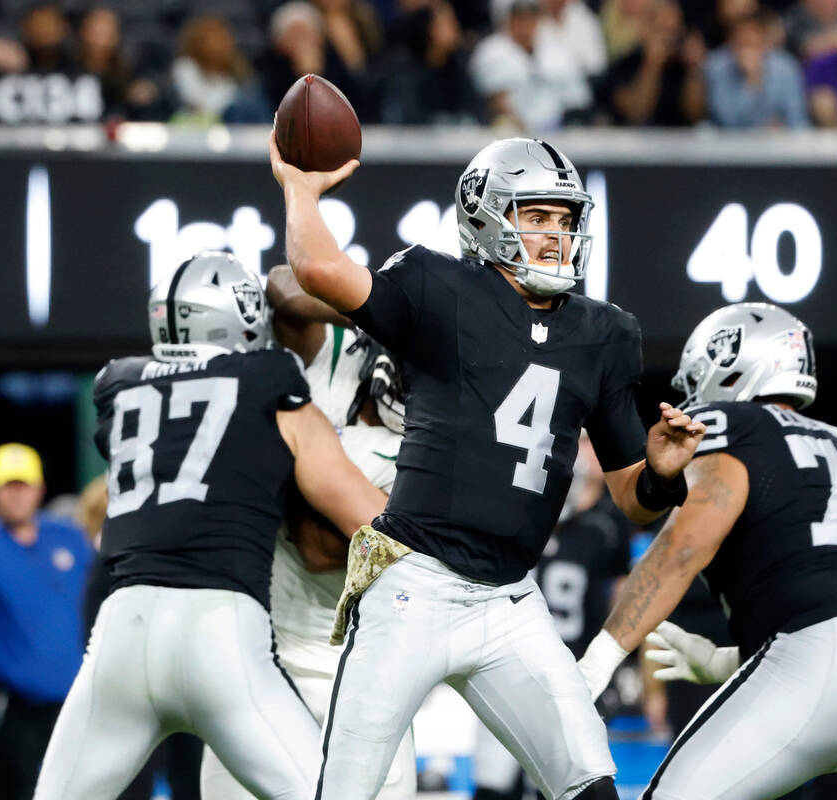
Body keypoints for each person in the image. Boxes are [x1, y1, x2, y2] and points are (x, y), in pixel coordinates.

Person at [269, 132, 705, 800]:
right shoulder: (438, 285)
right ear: (486, 217)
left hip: (509, 599)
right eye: (536, 216)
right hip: (415, 584)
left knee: (592, 784)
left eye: (564, 219)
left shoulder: (604, 333)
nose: (555, 235)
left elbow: (631, 498)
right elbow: (317, 269)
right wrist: (300, 190)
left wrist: (663, 472)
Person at [575, 303, 837, 800]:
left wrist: (598, 661)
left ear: (728, 366)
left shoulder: (732, 426)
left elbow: (682, 548)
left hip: (823, 661)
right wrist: (729, 661)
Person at [30, 251, 388, 800]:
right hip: (218, 628)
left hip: (121, 633)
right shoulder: (271, 383)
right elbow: (374, 521)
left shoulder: (118, 388)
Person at [198, 264, 416, 800]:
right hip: (258, 664)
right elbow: (282, 285)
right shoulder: (339, 357)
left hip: (363, 678)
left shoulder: (439, 450)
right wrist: (380, 310)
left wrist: (278, 449)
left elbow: (321, 549)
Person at [472, 437, 633, 800]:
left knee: (563, 784)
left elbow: (620, 597)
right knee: (494, 783)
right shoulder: (516, 512)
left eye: (590, 442)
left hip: (573, 673)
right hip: (506, 664)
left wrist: (614, 662)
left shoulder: (607, 524)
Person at [0, 442, 94, 800]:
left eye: (24, 485)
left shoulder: (70, 539)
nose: (17, 496)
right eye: (7, 486)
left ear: (40, 488)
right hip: (14, 706)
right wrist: (21, 679)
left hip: (79, 702)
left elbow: (99, 603)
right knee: (17, 790)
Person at [469, 0, 593, 130]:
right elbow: (495, 102)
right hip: (511, 133)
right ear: (508, 20)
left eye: (530, 18)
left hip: (559, 131)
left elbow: (578, 99)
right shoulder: (490, 51)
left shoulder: (557, 50)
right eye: (519, 18)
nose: (524, 25)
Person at [597, 0, 706, 127]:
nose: (668, 39)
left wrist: (694, 71)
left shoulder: (685, 69)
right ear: (645, 29)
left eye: (673, 31)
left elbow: (696, 115)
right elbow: (636, 114)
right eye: (662, 30)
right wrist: (652, 65)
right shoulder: (624, 66)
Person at [703, 11, 809, 129]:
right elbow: (726, 119)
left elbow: (797, 118)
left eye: (752, 36)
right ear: (731, 40)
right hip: (728, 143)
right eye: (740, 37)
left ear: (763, 39)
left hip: (778, 142)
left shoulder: (786, 67)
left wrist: (783, 129)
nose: (746, 42)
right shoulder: (716, 66)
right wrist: (751, 80)